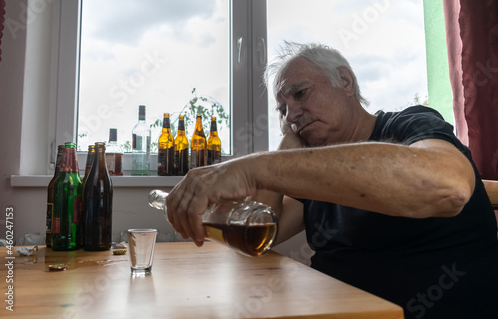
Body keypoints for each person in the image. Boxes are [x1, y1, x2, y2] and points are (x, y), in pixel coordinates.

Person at [165, 42, 498, 318]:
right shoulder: (315, 168)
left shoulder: (410, 124)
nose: (290, 113)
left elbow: (447, 185)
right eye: (281, 109)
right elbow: (263, 233)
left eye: (300, 94)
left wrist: (255, 167)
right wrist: (285, 148)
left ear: (345, 82)